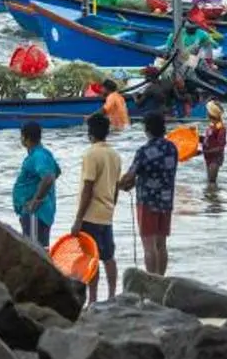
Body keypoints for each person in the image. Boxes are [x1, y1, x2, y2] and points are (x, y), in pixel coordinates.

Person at [115, 111, 180, 277]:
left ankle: (152, 281)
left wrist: (119, 186)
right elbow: (161, 173)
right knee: (161, 245)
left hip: (147, 202)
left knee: (149, 246)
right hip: (166, 201)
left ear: (147, 129)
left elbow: (129, 176)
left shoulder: (144, 151)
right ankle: (161, 279)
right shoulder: (172, 148)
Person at [72, 112, 121, 301]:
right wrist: (111, 208)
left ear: (90, 133)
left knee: (90, 258)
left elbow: (88, 188)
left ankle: (92, 299)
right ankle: (111, 295)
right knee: (108, 257)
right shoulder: (115, 155)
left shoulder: (91, 154)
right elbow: (115, 188)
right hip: (106, 214)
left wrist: (78, 219)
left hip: (90, 215)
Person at [12, 121, 60, 246]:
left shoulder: (38, 156)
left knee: (34, 252)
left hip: (36, 213)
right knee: (40, 250)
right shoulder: (44, 153)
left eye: (21, 136)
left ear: (25, 138)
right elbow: (56, 172)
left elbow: (49, 177)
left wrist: (36, 199)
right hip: (39, 211)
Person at [198, 102, 227, 185]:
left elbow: (220, 147)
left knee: (212, 181)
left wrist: (204, 152)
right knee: (209, 181)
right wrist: (196, 137)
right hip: (208, 156)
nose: (206, 112)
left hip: (216, 158)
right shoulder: (211, 126)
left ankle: (213, 196)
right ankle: (210, 197)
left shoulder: (221, 128)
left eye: (208, 111)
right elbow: (207, 140)